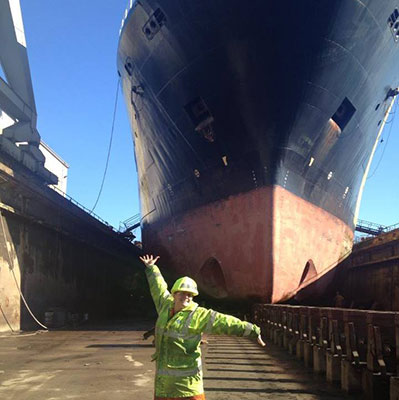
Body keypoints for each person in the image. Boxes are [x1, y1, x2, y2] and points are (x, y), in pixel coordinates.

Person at [140, 254, 265, 400]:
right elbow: (158, 287)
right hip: (164, 385)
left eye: (190, 295)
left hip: (188, 385)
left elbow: (224, 322)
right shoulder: (165, 305)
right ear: (174, 294)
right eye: (183, 293)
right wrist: (151, 268)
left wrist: (253, 330)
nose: (187, 297)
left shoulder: (199, 315)